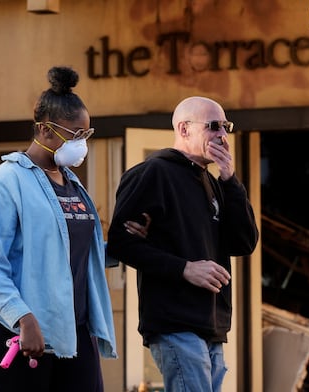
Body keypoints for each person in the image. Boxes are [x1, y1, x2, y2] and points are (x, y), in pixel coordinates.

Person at [0, 66, 117, 392]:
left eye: (86, 134)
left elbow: (73, 254)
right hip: (21, 333)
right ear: (44, 130)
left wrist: (124, 244)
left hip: (73, 330)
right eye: (75, 134)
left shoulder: (73, 184)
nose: (81, 143)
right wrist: (24, 318)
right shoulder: (6, 182)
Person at [106, 96, 259, 392]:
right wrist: (184, 269)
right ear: (184, 129)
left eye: (226, 126)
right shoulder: (153, 172)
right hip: (175, 321)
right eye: (214, 126)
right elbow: (121, 244)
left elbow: (244, 241)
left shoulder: (212, 181)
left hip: (212, 323)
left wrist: (229, 179)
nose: (222, 135)